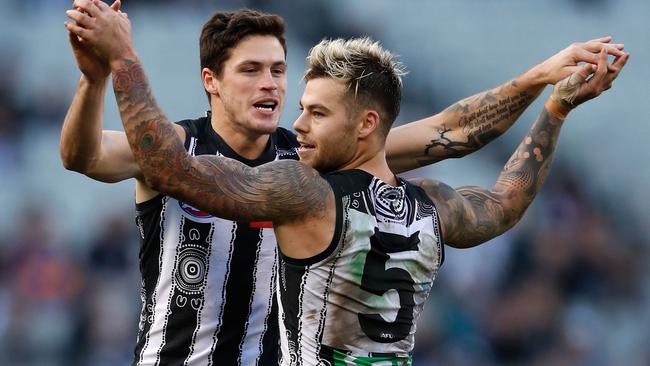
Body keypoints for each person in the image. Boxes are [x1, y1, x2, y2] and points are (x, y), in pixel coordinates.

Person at [61, 1, 625, 364]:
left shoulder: (305, 175)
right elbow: (500, 199)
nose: (280, 98)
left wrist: (123, 59)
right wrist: (552, 99)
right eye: (253, 71)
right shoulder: (421, 202)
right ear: (212, 81)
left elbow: (453, 129)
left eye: (280, 72)